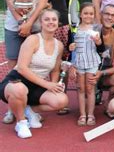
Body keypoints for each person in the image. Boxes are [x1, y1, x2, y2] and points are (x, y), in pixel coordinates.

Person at [0, 9, 68, 138]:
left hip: (36, 86)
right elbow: (22, 69)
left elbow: (55, 69)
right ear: (41, 23)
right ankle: (21, 122)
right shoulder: (32, 40)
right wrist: (47, 85)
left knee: (61, 100)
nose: (51, 22)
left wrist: (54, 85)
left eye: (54, 19)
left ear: (58, 22)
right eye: (47, 19)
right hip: (16, 81)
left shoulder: (59, 45)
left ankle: (29, 110)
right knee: (18, 89)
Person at [3, 0, 50, 124]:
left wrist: (29, 24)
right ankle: (11, 109)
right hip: (13, 28)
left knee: (30, 69)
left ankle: (27, 107)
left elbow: (41, 5)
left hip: (35, 29)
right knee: (14, 70)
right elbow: (9, 1)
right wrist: (21, 23)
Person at [40, 0, 72, 115]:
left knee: (62, 63)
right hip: (43, 26)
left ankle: (61, 96)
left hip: (62, 26)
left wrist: (68, 22)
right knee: (42, 61)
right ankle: (40, 96)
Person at [88, 4, 114, 118]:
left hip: (104, 74)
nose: (110, 17)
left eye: (113, 15)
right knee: (88, 94)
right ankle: (88, 108)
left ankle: (108, 103)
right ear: (101, 15)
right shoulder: (90, 31)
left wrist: (102, 73)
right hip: (88, 72)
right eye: (107, 14)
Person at [68, 2, 103, 126]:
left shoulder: (97, 28)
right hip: (79, 63)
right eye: (86, 13)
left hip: (92, 62)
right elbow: (70, 47)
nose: (88, 16)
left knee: (90, 88)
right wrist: (70, 47)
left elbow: (101, 47)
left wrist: (98, 41)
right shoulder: (74, 28)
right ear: (80, 15)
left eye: (91, 13)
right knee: (81, 88)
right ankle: (82, 114)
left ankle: (91, 114)